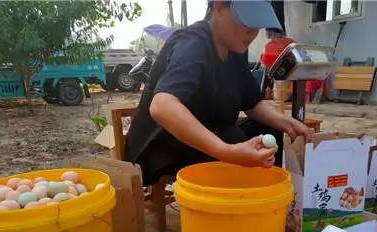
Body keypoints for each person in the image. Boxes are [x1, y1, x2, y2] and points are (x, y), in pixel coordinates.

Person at [125, 0, 314, 185]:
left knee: (269, 132)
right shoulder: (192, 44)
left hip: (210, 130)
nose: (253, 33)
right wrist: (227, 151)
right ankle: (237, 206)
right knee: (233, 137)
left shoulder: (236, 48)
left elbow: (253, 103)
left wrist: (288, 123)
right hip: (163, 146)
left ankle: (267, 195)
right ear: (218, 8)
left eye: (257, 24)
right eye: (246, 22)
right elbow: (162, 106)